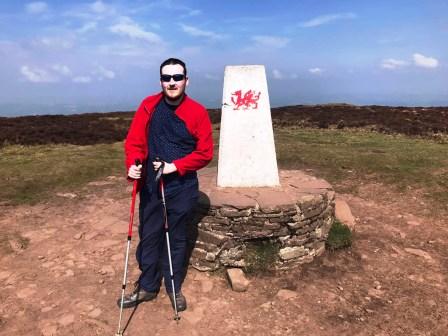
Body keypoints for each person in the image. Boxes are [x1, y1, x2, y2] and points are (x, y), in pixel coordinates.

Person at [117, 57, 213, 311]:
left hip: (182, 186)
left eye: (177, 77)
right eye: (166, 78)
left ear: (186, 80)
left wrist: (176, 166)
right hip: (150, 183)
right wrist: (134, 164)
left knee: (177, 237)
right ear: (161, 80)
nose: (172, 83)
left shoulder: (197, 112)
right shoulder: (149, 106)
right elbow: (135, 142)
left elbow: (205, 153)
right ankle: (148, 286)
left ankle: (173, 287)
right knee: (149, 235)